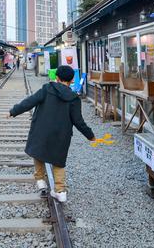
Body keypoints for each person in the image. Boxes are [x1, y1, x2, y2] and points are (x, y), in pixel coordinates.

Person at [6, 65, 95, 203]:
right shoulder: (74, 98)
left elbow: (30, 102)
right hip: (61, 134)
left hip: (42, 129)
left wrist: (13, 111)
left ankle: (40, 180)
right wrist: (90, 136)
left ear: (57, 78)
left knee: (39, 152)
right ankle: (60, 191)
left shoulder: (47, 89)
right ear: (72, 80)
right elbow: (78, 121)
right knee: (58, 161)